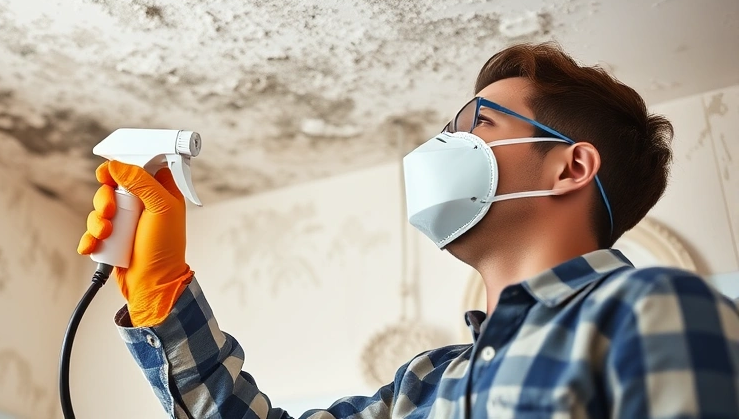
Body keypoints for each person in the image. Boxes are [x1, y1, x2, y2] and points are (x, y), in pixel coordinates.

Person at [76, 42, 739, 418]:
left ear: (571, 166)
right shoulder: (426, 385)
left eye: (479, 124)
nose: (442, 148)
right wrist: (157, 290)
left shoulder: (652, 311)